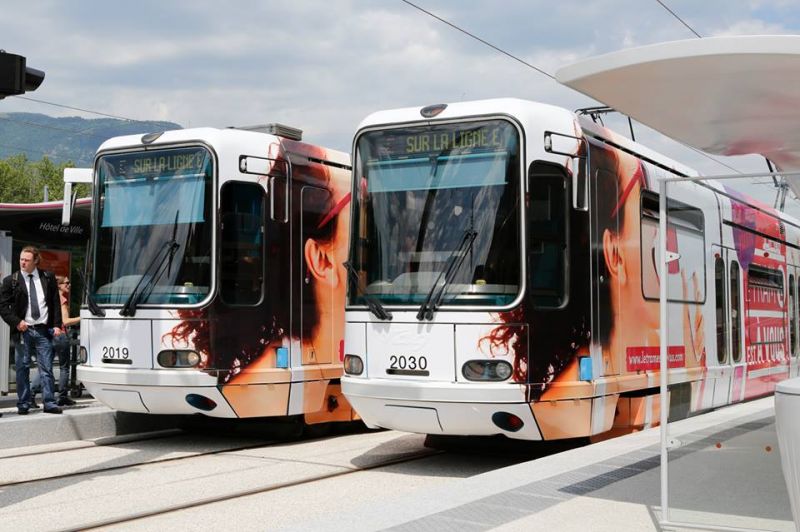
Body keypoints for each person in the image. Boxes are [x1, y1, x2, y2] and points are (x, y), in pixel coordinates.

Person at [0, 246, 65, 415]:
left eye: (27, 260)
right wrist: (16, 322)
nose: (22, 262)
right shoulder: (11, 281)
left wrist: (57, 324)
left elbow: (55, 303)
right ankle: (23, 403)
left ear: (36, 261)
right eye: (21, 259)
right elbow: (3, 306)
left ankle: (49, 402)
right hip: (23, 330)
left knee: (46, 368)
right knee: (22, 367)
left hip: (43, 330)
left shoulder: (47, 277)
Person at [52, 275, 79, 406]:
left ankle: (32, 394)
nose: (69, 285)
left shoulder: (49, 298)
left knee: (45, 367)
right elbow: (66, 321)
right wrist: (83, 317)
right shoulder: (62, 299)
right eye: (66, 283)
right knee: (64, 368)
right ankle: (62, 396)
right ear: (59, 285)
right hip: (61, 335)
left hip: (49, 334)